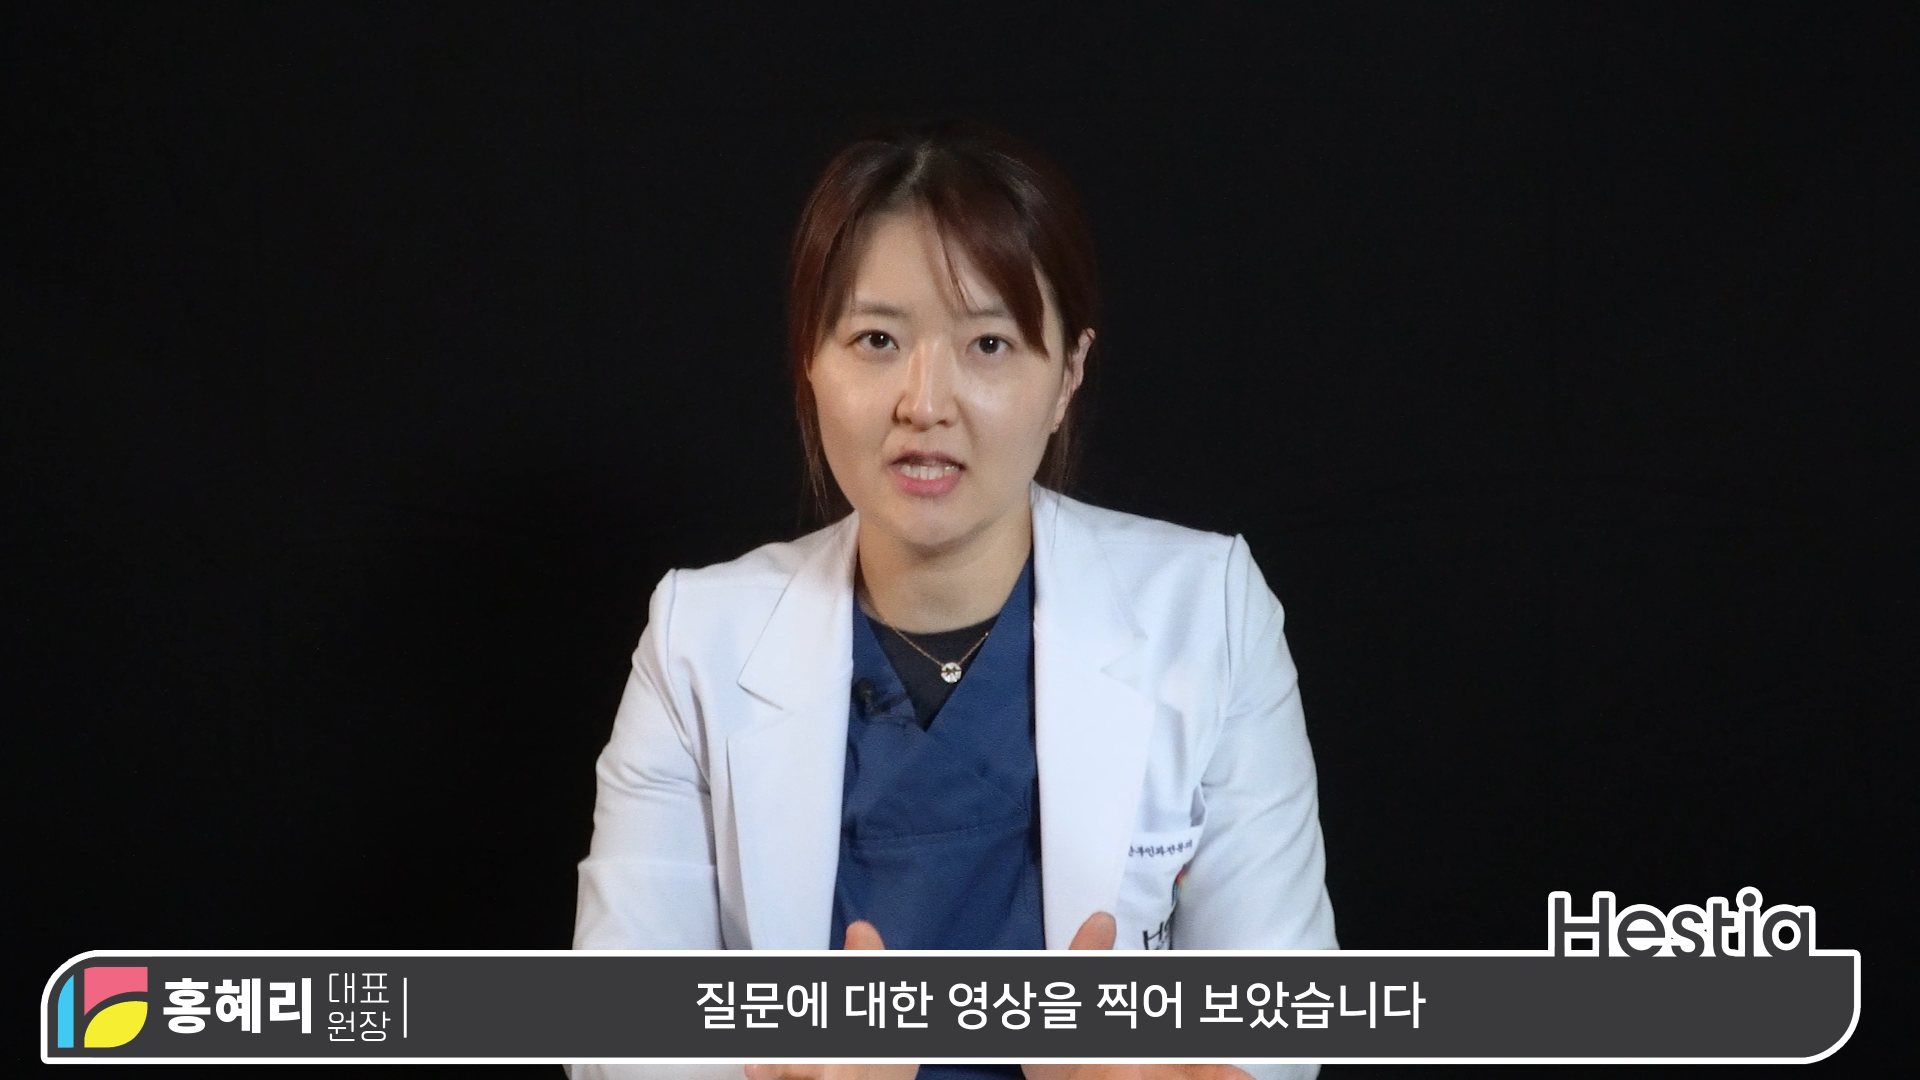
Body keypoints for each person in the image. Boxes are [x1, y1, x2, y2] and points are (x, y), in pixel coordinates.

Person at [570, 121, 1336, 1080]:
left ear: (1068, 374)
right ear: (810, 360)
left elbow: (1278, 1018)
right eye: (877, 339)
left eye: (988, 343)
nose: (924, 402)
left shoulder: (1209, 610)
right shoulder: (698, 639)